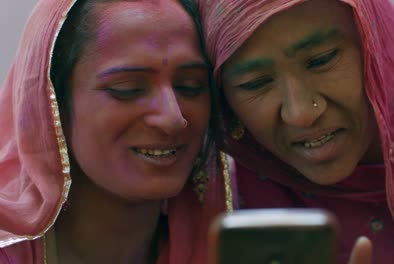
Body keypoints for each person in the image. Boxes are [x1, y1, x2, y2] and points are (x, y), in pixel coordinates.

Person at [198, 0, 394, 263]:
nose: (301, 114)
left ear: (376, 46)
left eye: (321, 61)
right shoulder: (216, 209)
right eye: (255, 83)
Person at [0, 0, 234, 263]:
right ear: (49, 105)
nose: (173, 118)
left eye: (191, 86)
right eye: (128, 88)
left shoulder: (247, 237)